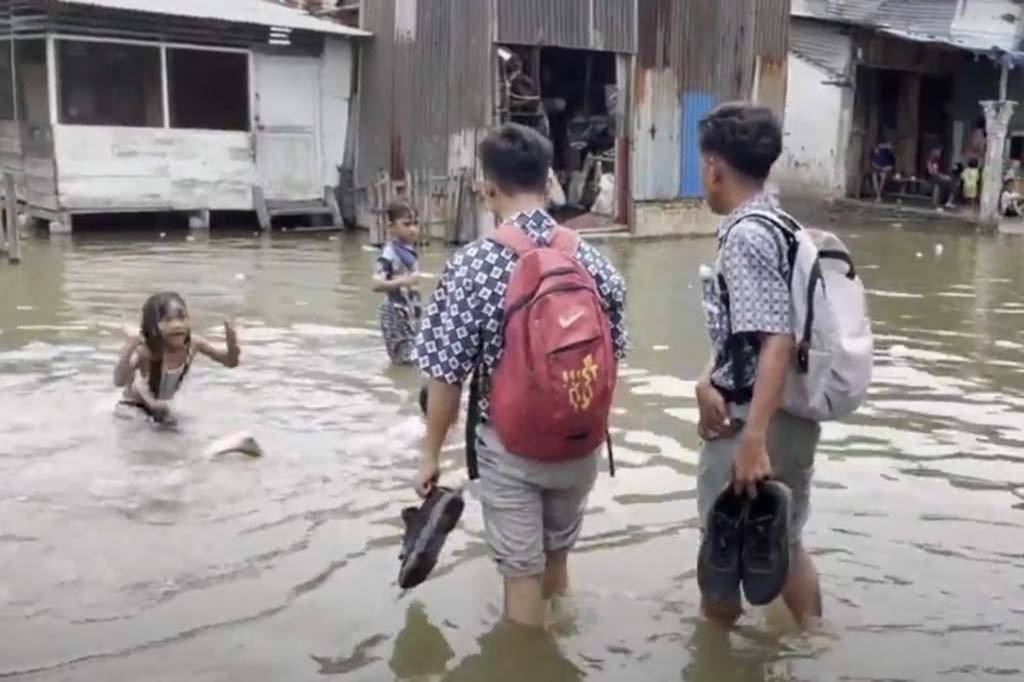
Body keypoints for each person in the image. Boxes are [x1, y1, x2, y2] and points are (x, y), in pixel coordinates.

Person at [414, 123, 628, 628]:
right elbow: (613, 360)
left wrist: (431, 454)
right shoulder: (595, 262)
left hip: (511, 449)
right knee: (556, 563)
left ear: (488, 189)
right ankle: (564, 643)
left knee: (520, 577)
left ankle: (528, 664)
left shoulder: (471, 267)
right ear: (550, 181)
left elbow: (445, 376)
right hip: (579, 444)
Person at [694, 102, 822, 628]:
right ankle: (816, 643)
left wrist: (751, 439)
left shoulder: (745, 235)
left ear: (715, 166)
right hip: (790, 415)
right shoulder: (782, 224)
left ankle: (715, 656)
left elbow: (777, 340)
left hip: (753, 423)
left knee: (721, 551)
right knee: (784, 537)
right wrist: (706, 378)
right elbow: (750, 336)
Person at [114, 292, 240, 423]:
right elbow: (119, 381)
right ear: (152, 328)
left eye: (182, 318)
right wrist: (130, 346)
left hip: (160, 409)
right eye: (168, 320)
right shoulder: (145, 351)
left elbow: (230, 363)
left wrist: (232, 346)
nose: (177, 325)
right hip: (132, 407)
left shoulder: (193, 344)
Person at [372, 202, 422, 365]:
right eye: (406, 224)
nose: (413, 229)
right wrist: (404, 281)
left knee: (417, 359)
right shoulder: (389, 253)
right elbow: (376, 284)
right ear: (391, 227)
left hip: (410, 312)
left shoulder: (408, 250)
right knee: (405, 363)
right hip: (395, 314)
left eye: (415, 223)